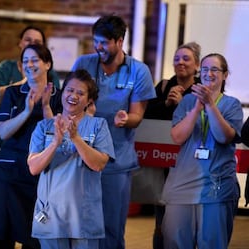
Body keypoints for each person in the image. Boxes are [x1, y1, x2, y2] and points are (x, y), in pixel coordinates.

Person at [72, 15, 156, 249]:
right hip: (80, 158)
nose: (98, 47)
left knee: (111, 228)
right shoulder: (83, 64)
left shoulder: (138, 71)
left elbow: (137, 116)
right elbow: (68, 100)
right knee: (79, 225)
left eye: (104, 42)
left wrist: (127, 119)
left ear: (120, 42)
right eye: (96, 41)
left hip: (115, 162)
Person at [161, 53, 243, 249]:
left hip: (216, 186)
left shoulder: (232, 105)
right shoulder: (188, 102)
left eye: (215, 69)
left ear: (225, 75)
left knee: (212, 243)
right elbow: (178, 137)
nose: (209, 73)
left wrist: (210, 104)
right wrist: (197, 108)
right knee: (175, 242)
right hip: (183, 185)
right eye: (205, 69)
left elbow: (224, 136)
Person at [27, 69, 115, 249]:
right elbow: (34, 168)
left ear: (89, 100)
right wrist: (54, 143)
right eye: (69, 90)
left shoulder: (98, 125)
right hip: (50, 214)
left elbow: (99, 164)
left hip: (84, 216)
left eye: (80, 93)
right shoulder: (44, 127)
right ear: (63, 92)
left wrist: (76, 138)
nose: (73, 96)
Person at [0, 44, 62, 249]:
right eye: (25, 61)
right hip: (9, 172)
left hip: (41, 175)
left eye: (35, 60)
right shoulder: (13, 93)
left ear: (47, 63)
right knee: (1, 232)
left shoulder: (60, 95)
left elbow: (56, 132)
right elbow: (3, 132)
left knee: (36, 235)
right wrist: (26, 111)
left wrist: (46, 107)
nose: (29, 65)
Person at [144, 41, 201, 249]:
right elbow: (147, 114)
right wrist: (166, 104)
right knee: (162, 220)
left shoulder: (202, 90)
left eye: (186, 59)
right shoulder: (164, 86)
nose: (180, 63)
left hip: (191, 162)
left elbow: (203, 122)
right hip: (165, 160)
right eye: (177, 59)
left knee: (189, 218)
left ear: (197, 66)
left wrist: (181, 105)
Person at [0, 25, 61, 99]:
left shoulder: (51, 74)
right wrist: (22, 84)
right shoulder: (5, 68)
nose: (32, 44)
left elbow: (56, 98)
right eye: (28, 40)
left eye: (37, 42)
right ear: (20, 43)